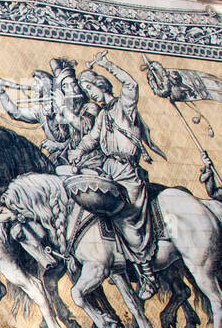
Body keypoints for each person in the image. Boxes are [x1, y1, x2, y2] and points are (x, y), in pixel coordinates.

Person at [69, 51, 167, 299]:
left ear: (101, 85)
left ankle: (147, 274)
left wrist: (106, 64)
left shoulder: (124, 106)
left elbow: (131, 83)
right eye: (85, 89)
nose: (89, 93)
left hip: (128, 173)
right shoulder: (102, 116)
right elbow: (91, 139)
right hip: (109, 170)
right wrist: (78, 152)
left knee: (128, 218)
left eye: (90, 87)